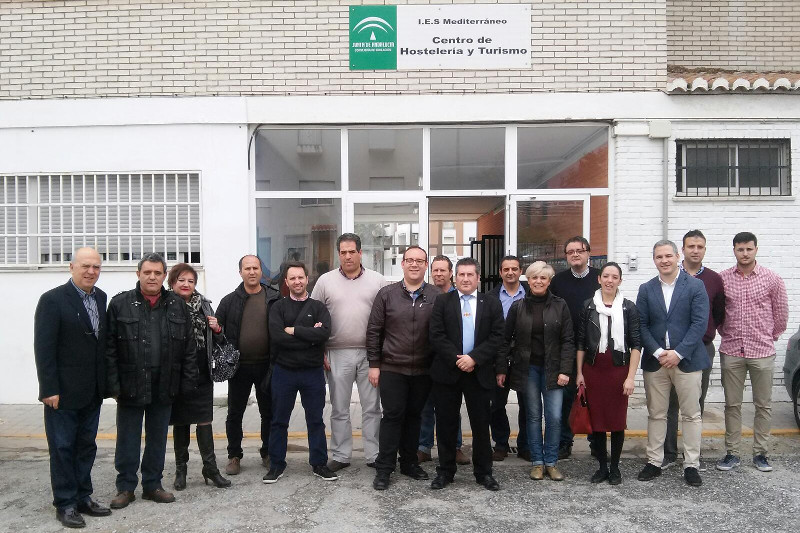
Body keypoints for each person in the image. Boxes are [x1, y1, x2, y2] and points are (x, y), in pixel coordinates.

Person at [107, 253, 197, 509]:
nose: (152, 277)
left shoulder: (178, 306)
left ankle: (152, 485)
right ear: (138, 274)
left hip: (164, 384)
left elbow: (189, 348)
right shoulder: (120, 304)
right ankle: (126, 487)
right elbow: (109, 348)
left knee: (157, 438)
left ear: (164, 276)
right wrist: (113, 385)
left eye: (158, 273)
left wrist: (186, 384)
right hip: (131, 384)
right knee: (128, 438)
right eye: (147, 272)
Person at [34, 247, 111, 528]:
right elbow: (44, 347)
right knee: (63, 448)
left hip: (91, 391)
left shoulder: (100, 298)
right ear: (71, 267)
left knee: (86, 446)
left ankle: (83, 497)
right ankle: (65, 503)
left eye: (96, 267)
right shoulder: (52, 300)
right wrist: (48, 389)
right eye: (85, 266)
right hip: (62, 393)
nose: (91, 271)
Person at [636, 240, 709, 487]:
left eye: (668, 255)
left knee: (691, 415)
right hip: (656, 362)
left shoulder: (695, 286)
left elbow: (699, 323)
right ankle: (654, 461)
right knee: (656, 414)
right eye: (659, 257)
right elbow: (641, 325)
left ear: (678, 256)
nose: (664, 260)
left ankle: (691, 464)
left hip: (687, 360)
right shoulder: (646, 289)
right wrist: (658, 352)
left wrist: (678, 353)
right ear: (654, 260)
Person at [367, 246, 441, 490]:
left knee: (414, 416)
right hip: (392, 367)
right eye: (410, 260)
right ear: (402, 263)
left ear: (426, 265)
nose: (414, 264)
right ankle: (384, 468)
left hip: (423, 370)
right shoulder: (386, 294)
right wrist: (374, 364)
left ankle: (409, 462)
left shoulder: (436, 296)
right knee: (392, 416)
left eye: (419, 261)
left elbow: (442, 332)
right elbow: (374, 330)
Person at [311, 233, 386, 471]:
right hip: (336, 353)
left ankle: (374, 454)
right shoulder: (325, 281)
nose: (347, 256)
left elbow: (388, 317)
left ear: (360, 253)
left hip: (370, 354)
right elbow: (313, 316)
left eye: (352, 252)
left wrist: (381, 355)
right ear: (338, 254)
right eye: (343, 252)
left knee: (372, 407)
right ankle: (341, 455)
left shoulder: (378, 281)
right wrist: (320, 351)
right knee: (339, 408)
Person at [429, 258, 504, 491]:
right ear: (455, 277)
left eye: (470, 274)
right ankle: (445, 471)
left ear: (478, 278)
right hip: (448, 372)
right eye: (461, 274)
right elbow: (436, 335)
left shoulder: (491, 303)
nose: (465, 279)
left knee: (481, 425)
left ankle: (484, 473)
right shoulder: (442, 301)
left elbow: (497, 336)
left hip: (479, 372)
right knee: (446, 425)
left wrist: (474, 358)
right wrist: (458, 359)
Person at [717, 232, 788, 473]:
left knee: (763, 405)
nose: (745, 253)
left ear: (756, 249)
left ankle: (761, 454)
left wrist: (769, 336)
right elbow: (719, 313)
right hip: (732, 350)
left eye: (749, 249)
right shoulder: (723, 279)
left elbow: (781, 314)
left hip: (762, 351)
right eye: (740, 249)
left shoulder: (772, 279)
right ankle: (732, 453)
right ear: (734, 251)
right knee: (732, 405)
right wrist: (726, 332)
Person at [498, 261, 574, 482]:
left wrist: (565, 370)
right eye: (534, 277)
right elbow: (505, 340)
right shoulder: (518, 307)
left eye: (543, 278)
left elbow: (568, 340)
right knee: (532, 416)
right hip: (528, 369)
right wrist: (503, 367)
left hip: (554, 370)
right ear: (528, 280)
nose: (538, 281)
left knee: (554, 417)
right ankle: (537, 463)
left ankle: (551, 462)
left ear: (549, 281)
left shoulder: (560, 305)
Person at [263, 261, 337, 483]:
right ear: (286, 282)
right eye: (292, 278)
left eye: (300, 277)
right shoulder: (278, 307)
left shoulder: (318, 307)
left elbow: (323, 334)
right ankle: (276, 465)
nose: (297, 282)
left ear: (307, 279)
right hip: (284, 372)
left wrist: (294, 331)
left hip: (312, 373)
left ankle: (319, 463)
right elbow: (278, 338)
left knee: (315, 420)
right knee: (279, 420)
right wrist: (309, 337)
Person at [663, 230, 726, 469]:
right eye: (691, 246)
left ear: (705, 250)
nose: (695, 250)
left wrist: (707, 333)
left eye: (700, 247)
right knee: (670, 405)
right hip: (671, 351)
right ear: (683, 250)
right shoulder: (672, 276)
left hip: (701, 348)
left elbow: (718, 313)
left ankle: (692, 456)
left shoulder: (714, 279)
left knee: (696, 404)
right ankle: (669, 453)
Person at [575, 262, 642, 485]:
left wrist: (630, 377)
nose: (609, 280)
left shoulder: (628, 308)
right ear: (599, 279)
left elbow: (636, 344)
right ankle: (602, 467)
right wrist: (579, 373)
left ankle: (615, 468)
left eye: (614, 277)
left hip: (618, 371)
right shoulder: (588, 306)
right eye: (606, 276)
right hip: (593, 371)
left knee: (616, 420)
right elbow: (581, 342)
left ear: (620, 281)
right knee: (597, 421)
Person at [167, 263, 230, 490]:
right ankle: (181, 470)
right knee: (181, 421)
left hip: (202, 371)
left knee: (205, 420)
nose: (186, 284)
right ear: (172, 282)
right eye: (181, 280)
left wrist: (217, 329)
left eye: (191, 281)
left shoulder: (204, 305)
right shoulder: (166, 305)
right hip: (178, 372)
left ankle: (210, 468)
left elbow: (219, 340)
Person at [216, 255, 280, 475]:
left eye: (255, 268)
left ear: (261, 271)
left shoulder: (274, 298)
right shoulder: (229, 301)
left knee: (268, 412)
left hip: (267, 366)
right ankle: (234, 455)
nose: (252, 272)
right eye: (247, 268)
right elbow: (218, 334)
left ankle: (268, 452)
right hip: (239, 367)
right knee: (235, 413)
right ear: (240, 272)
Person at [549, 236, 601, 459]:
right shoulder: (558, 281)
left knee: (595, 397)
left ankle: (596, 443)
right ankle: (565, 442)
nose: (575, 255)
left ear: (588, 253)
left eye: (579, 251)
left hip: (595, 347)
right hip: (567, 347)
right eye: (570, 252)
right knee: (567, 398)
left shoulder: (600, 277)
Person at [418, 255, 470, 466]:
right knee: (425, 405)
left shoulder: (460, 296)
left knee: (451, 408)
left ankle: (454, 447)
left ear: (451, 274)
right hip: (427, 359)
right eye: (435, 270)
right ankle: (423, 447)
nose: (438, 274)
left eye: (443, 270)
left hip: (453, 360)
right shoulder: (425, 294)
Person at [487, 255, 529, 461]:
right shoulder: (490, 297)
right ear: (500, 272)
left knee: (527, 405)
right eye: (506, 269)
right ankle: (501, 443)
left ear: (521, 271)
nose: (510, 272)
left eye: (514, 269)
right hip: (498, 356)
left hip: (525, 357)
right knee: (496, 405)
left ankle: (525, 445)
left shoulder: (531, 294)